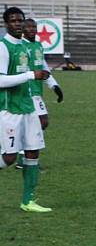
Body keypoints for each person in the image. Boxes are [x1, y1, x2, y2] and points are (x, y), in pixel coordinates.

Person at [0, 7, 52, 212]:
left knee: (33, 151)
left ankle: (28, 201)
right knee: (9, 157)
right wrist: (31, 75)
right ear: (6, 24)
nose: (18, 24)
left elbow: (34, 73)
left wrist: (43, 79)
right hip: (9, 110)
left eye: (20, 20)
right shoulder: (3, 47)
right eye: (13, 21)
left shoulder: (25, 46)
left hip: (28, 107)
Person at [15, 18, 64, 170]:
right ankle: (24, 158)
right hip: (26, 91)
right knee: (41, 122)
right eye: (28, 27)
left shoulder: (38, 45)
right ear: (22, 30)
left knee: (38, 123)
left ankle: (21, 155)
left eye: (33, 27)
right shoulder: (20, 46)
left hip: (37, 91)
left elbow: (43, 66)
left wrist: (54, 86)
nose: (31, 29)